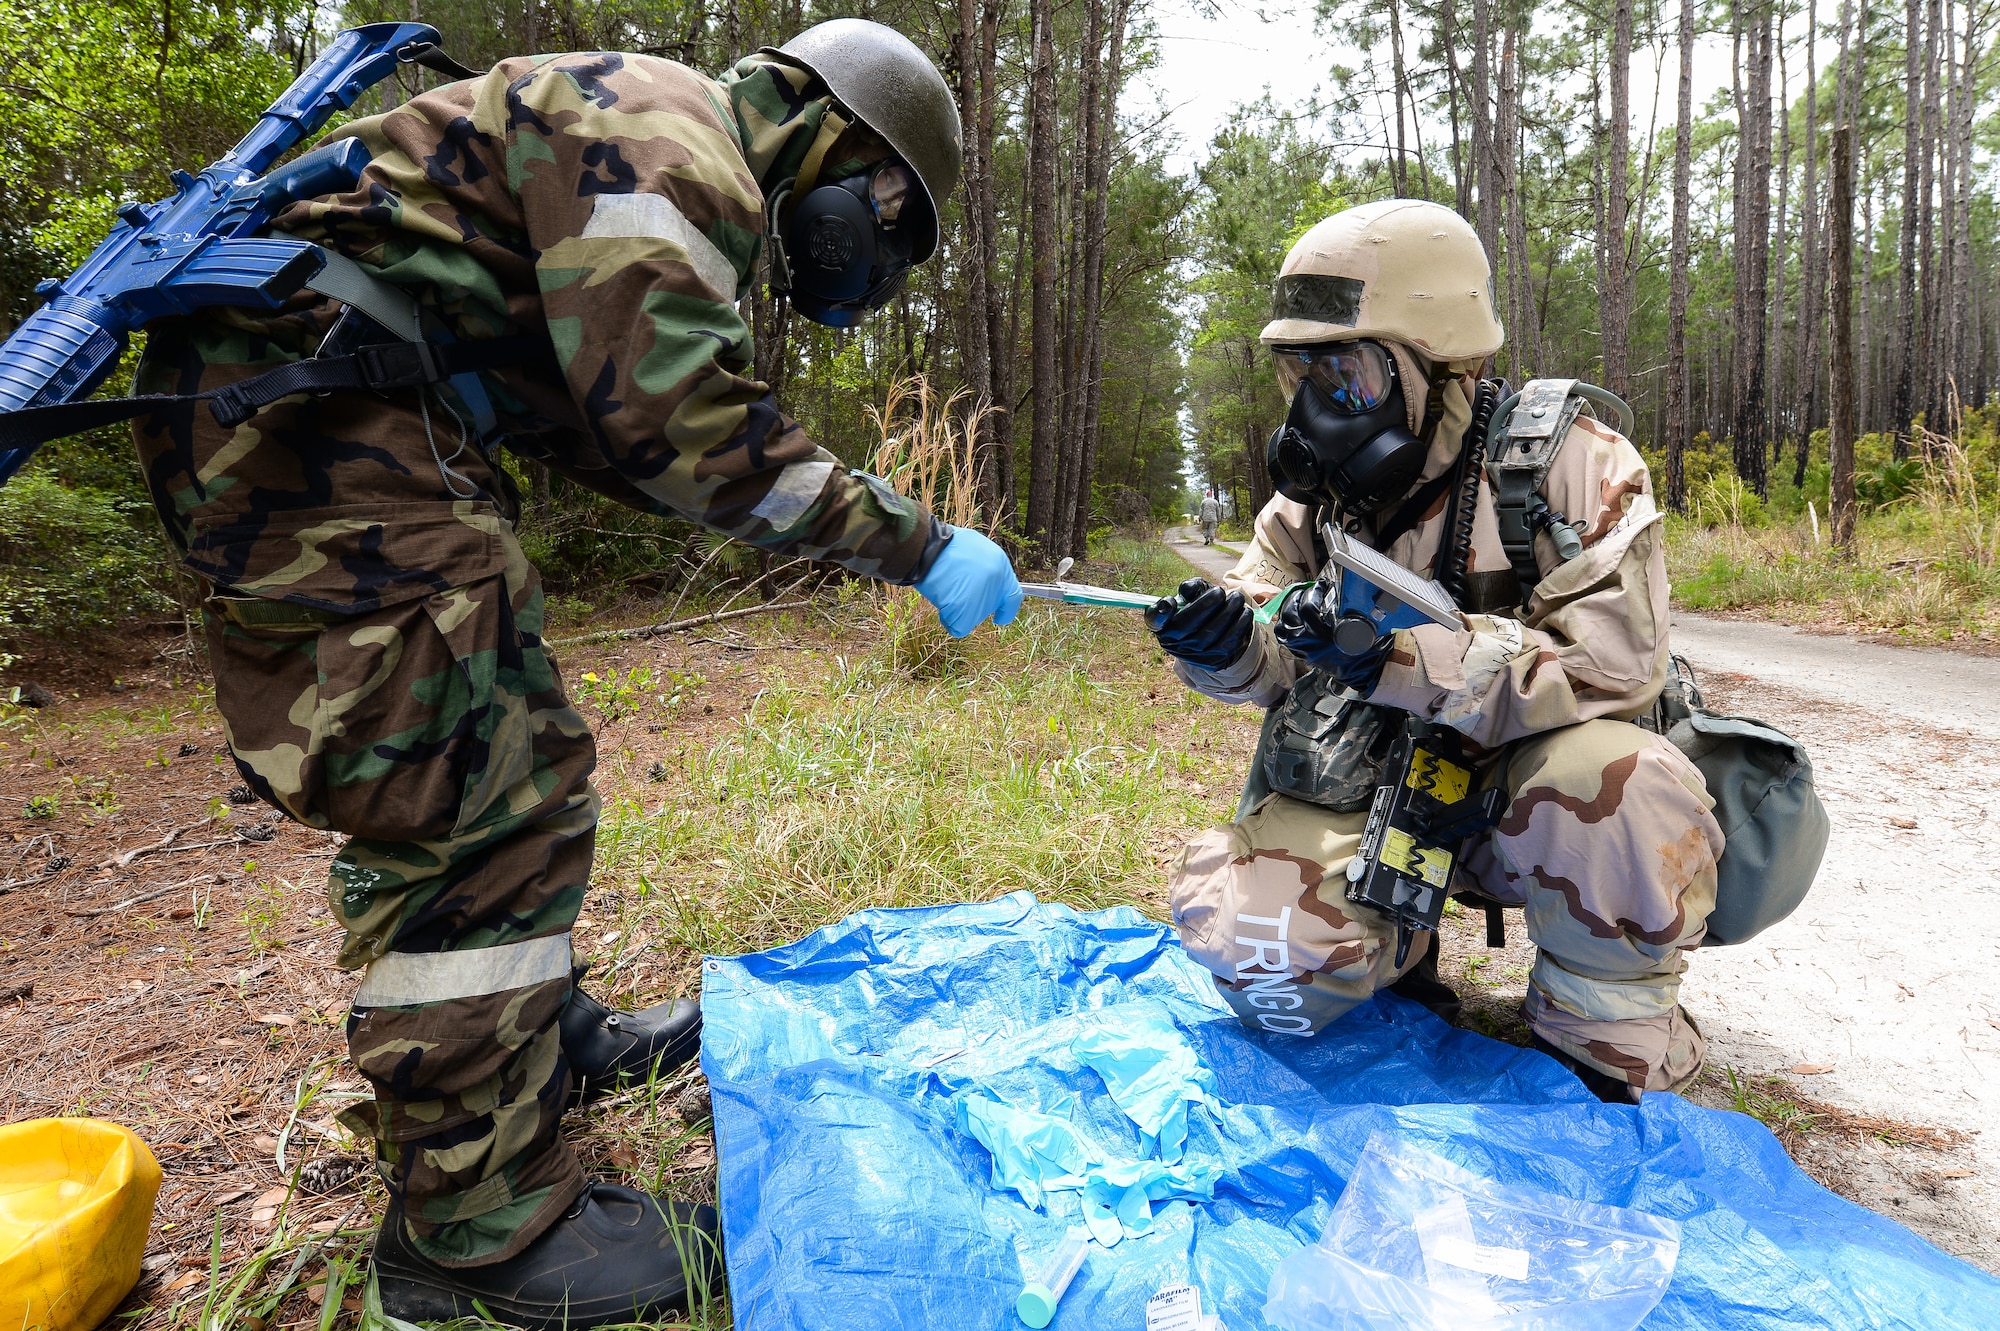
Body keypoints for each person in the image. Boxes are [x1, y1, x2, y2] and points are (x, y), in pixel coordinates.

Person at [128, 20, 1019, 1327]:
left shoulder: (652, 138)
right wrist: (917, 540)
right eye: (889, 209)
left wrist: (853, 519)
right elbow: (683, 428)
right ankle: (473, 1228)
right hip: (310, 413)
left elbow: (616, 423)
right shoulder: (676, 136)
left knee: (519, 749)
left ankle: (527, 1039)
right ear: (846, 144)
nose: (873, 237)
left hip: (329, 402)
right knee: (468, 783)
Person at [1146, 199, 1721, 1109]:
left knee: (1627, 780)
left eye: (1345, 371)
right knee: (1266, 963)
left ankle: (1600, 1036)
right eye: (1300, 370)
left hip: (1528, 801)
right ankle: (1393, 955)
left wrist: (1411, 659)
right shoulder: (1313, 506)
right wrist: (1226, 648)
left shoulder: (1569, 468)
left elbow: (1615, 663)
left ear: (1439, 364)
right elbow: (1272, 652)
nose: (1316, 404)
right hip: (1378, 792)